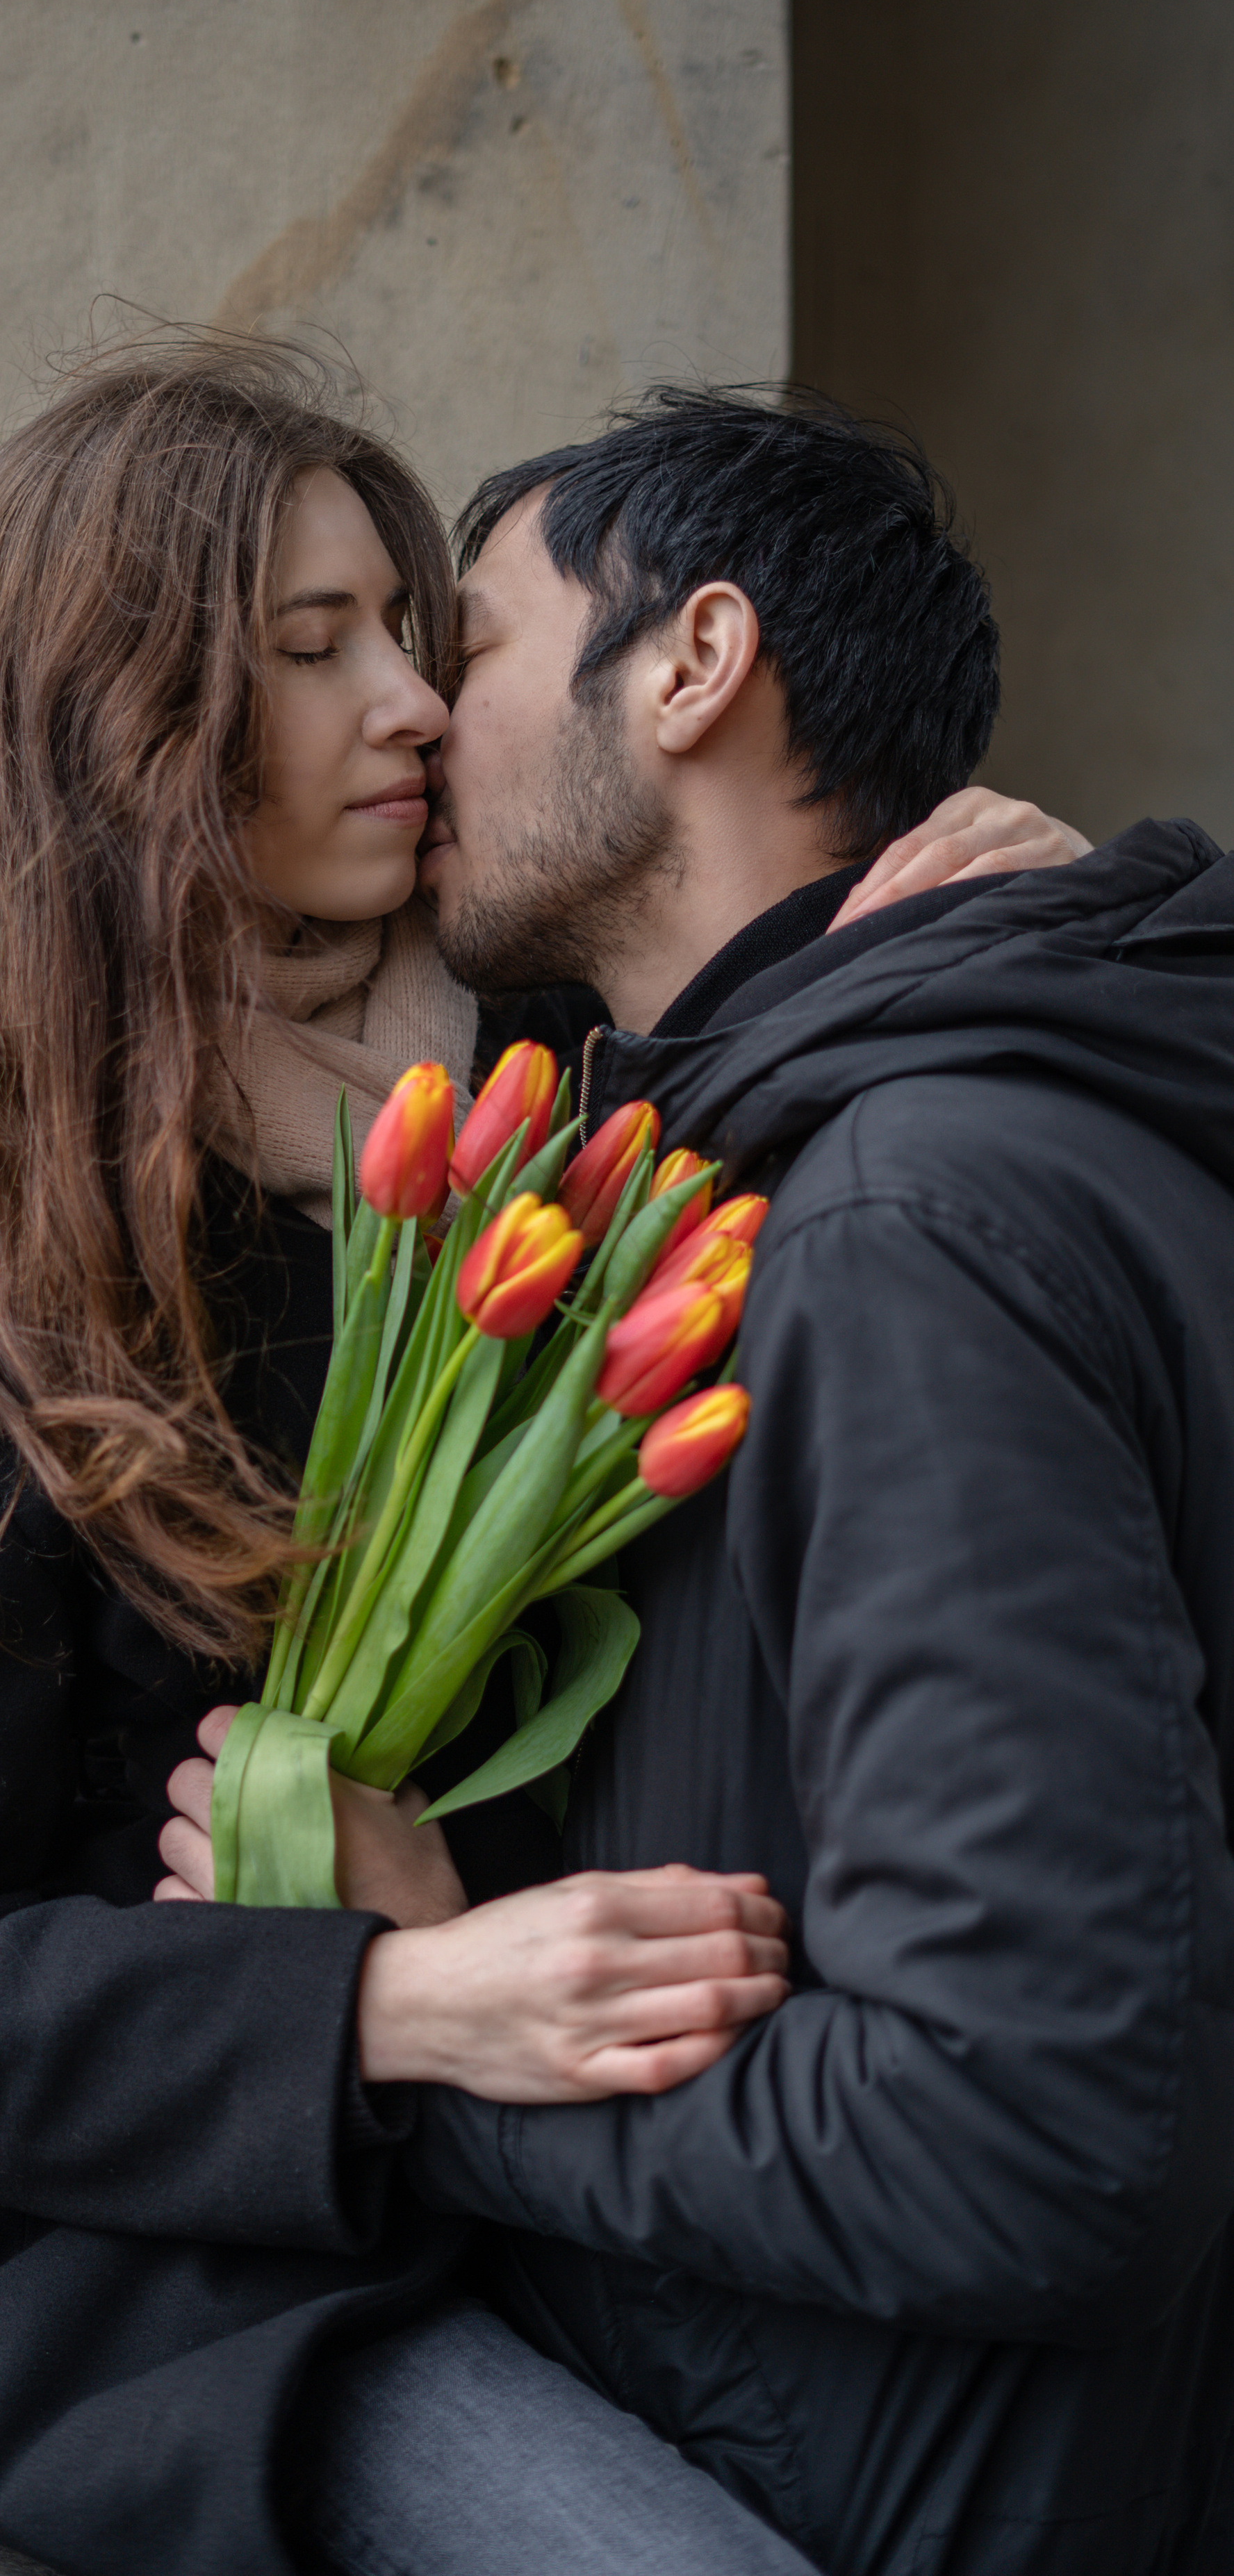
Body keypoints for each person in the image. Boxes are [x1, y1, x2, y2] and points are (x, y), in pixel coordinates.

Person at [0, 344, 1083, 2576]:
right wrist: (397, 1997)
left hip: (553, 2167)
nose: (412, 707)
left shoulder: (541, 1106)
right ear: (120, 728)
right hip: (165, 2293)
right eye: (315, 648)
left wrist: (1016, 913)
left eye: (416, 634)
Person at [167, 389, 1234, 2573]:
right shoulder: (917, 1117)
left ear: (695, 662)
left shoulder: (905, 1225)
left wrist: (448, 2033)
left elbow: (1036, 2143)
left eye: (463, 646)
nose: (412, 722)